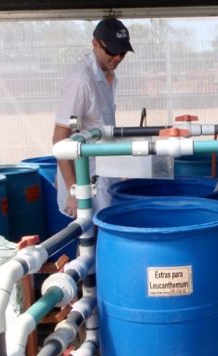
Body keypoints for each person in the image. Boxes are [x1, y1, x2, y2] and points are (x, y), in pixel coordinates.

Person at [52, 17, 134, 218]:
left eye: (122, 52)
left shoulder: (106, 75)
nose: (117, 57)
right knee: (86, 237)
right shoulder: (81, 81)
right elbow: (60, 139)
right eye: (112, 51)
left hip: (103, 172)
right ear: (95, 43)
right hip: (84, 179)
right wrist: (74, 190)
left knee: (99, 235)